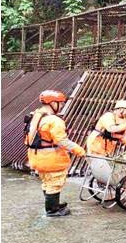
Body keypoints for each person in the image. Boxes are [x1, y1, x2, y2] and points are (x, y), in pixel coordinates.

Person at [24, 89, 86, 218]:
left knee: (47, 181)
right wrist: (79, 150)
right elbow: (62, 141)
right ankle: (52, 210)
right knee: (55, 182)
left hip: (36, 156)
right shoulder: (54, 120)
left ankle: (54, 203)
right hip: (51, 158)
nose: (62, 106)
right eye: (60, 103)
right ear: (52, 103)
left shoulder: (36, 115)